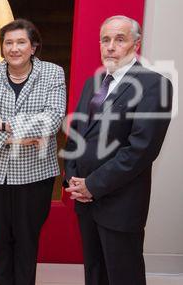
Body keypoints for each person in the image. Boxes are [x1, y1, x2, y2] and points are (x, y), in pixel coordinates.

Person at [64, 15, 173, 285]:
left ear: (136, 44)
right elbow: (77, 135)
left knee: (124, 276)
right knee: (95, 273)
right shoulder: (94, 84)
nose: (110, 46)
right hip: (85, 201)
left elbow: (140, 150)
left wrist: (93, 185)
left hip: (121, 203)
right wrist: (73, 178)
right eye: (105, 40)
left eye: (119, 39)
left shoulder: (155, 85)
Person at [0, 19, 66, 285]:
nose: (14, 48)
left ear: (33, 47)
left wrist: (1, 124)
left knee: (26, 238)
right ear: (2, 47)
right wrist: (25, 137)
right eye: (8, 43)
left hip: (35, 175)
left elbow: (53, 120)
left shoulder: (52, 73)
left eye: (21, 42)